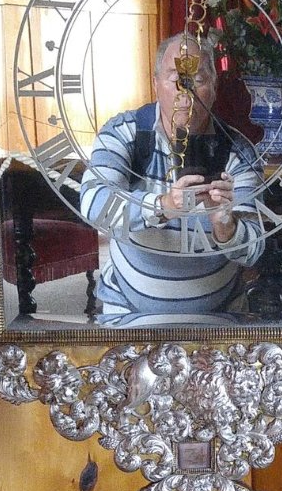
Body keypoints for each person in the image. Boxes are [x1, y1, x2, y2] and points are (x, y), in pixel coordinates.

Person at [79, 35, 265, 321]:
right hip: (127, 317)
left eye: (197, 80)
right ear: (155, 84)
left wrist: (225, 225)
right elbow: (94, 205)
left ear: (214, 88)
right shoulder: (123, 132)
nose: (185, 93)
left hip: (219, 323)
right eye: (176, 79)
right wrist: (163, 205)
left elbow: (254, 251)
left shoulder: (238, 152)